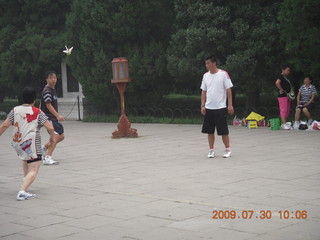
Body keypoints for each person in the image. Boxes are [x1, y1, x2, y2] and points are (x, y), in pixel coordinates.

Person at [0, 87, 54, 201]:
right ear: (35, 99)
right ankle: (22, 192)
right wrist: (51, 139)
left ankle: (25, 185)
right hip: (31, 142)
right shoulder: (37, 111)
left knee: (26, 160)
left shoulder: (14, 110)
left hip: (17, 143)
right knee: (34, 168)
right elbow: (50, 127)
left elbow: (4, 125)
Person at [200, 55, 234, 158]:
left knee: (223, 131)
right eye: (206, 64)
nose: (207, 65)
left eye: (208, 63)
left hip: (220, 107)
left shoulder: (223, 74)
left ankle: (227, 149)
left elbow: (228, 90)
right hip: (209, 107)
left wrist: (230, 105)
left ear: (214, 63)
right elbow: (203, 91)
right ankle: (211, 150)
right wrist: (202, 105)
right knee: (209, 131)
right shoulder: (205, 76)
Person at [40, 71, 65, 165]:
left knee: (61, 136)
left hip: (52, 118)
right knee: (56, 136)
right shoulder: (47, 91)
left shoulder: (52, 89)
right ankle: (48, 157)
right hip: (48, 118)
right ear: (47, 79)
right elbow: (48, 104)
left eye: (54, 77)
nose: (53, 80)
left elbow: (41, 104)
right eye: (51, 78)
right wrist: (58, 115)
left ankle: (43, 148)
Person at [275, 64, 293, 130]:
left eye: (289, 70)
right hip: (282, 96)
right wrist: (281, 89)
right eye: (287, 70)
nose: (288, 72)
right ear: (283, 70)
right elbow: (277, 82)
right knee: (283, 109)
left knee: (287, 110)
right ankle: (284, 123)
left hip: (287, 96)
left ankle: (284, 123)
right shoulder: (281, 77)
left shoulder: (286, 77)